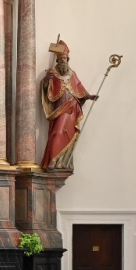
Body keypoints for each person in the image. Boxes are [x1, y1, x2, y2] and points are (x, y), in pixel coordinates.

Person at [40, 36, 96, 170]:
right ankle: (52, 160)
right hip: (60, 108)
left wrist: (89, 96)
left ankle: (62, 162)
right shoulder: (53, 73)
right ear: (57, 61)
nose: (62, 61)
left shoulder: (72, 73)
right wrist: (47, 79)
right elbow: (46, 88)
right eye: (60, 59)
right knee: (58, 132)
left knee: (68, 133)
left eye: (64, 59)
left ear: (67, 60)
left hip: (73, 106)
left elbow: (79, 87)